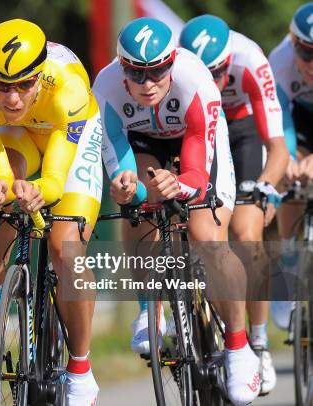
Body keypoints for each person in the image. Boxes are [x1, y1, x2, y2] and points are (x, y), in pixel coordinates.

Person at [94, 17, 264, 405]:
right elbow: (119, 165)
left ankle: (238, 345)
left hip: (194, 138)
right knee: (137, 209)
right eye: (137, 74)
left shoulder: (197, 82)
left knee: (207, 236)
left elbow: (198, 174)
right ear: (123, 69)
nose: (148, 83)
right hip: (141, 142)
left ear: (171, 63)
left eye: (157, 71)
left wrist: (182, 186)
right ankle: (148, 310)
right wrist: (128, 187)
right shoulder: (103, 88)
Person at [0, 18, 104, 405]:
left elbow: (55, 180)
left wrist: (41, 191)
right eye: (2, 86)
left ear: (41, 74)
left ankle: (81, 366)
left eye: (24, 84)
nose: (13, 98)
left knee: (65, 247)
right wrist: (1, 189)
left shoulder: (68, 85)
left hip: (68, 130)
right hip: (19, 135)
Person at [179, 14, 292, 395]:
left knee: (246, 233)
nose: (212, 81)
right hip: (193, 131)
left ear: (229, 61)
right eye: (203, 73)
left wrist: (265, 187)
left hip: (241, 130)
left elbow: (276, 146)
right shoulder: (176, 68)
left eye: (218, 72)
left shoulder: (250, 61)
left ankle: (256, 342)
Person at [269, 2, 313, 331]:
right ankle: (287, 254)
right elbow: (278, 122)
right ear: (292, 43)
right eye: (306, 53)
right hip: (296, 120)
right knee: (286, 173)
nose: (311, 64)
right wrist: (291, 158)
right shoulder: (279, 62)